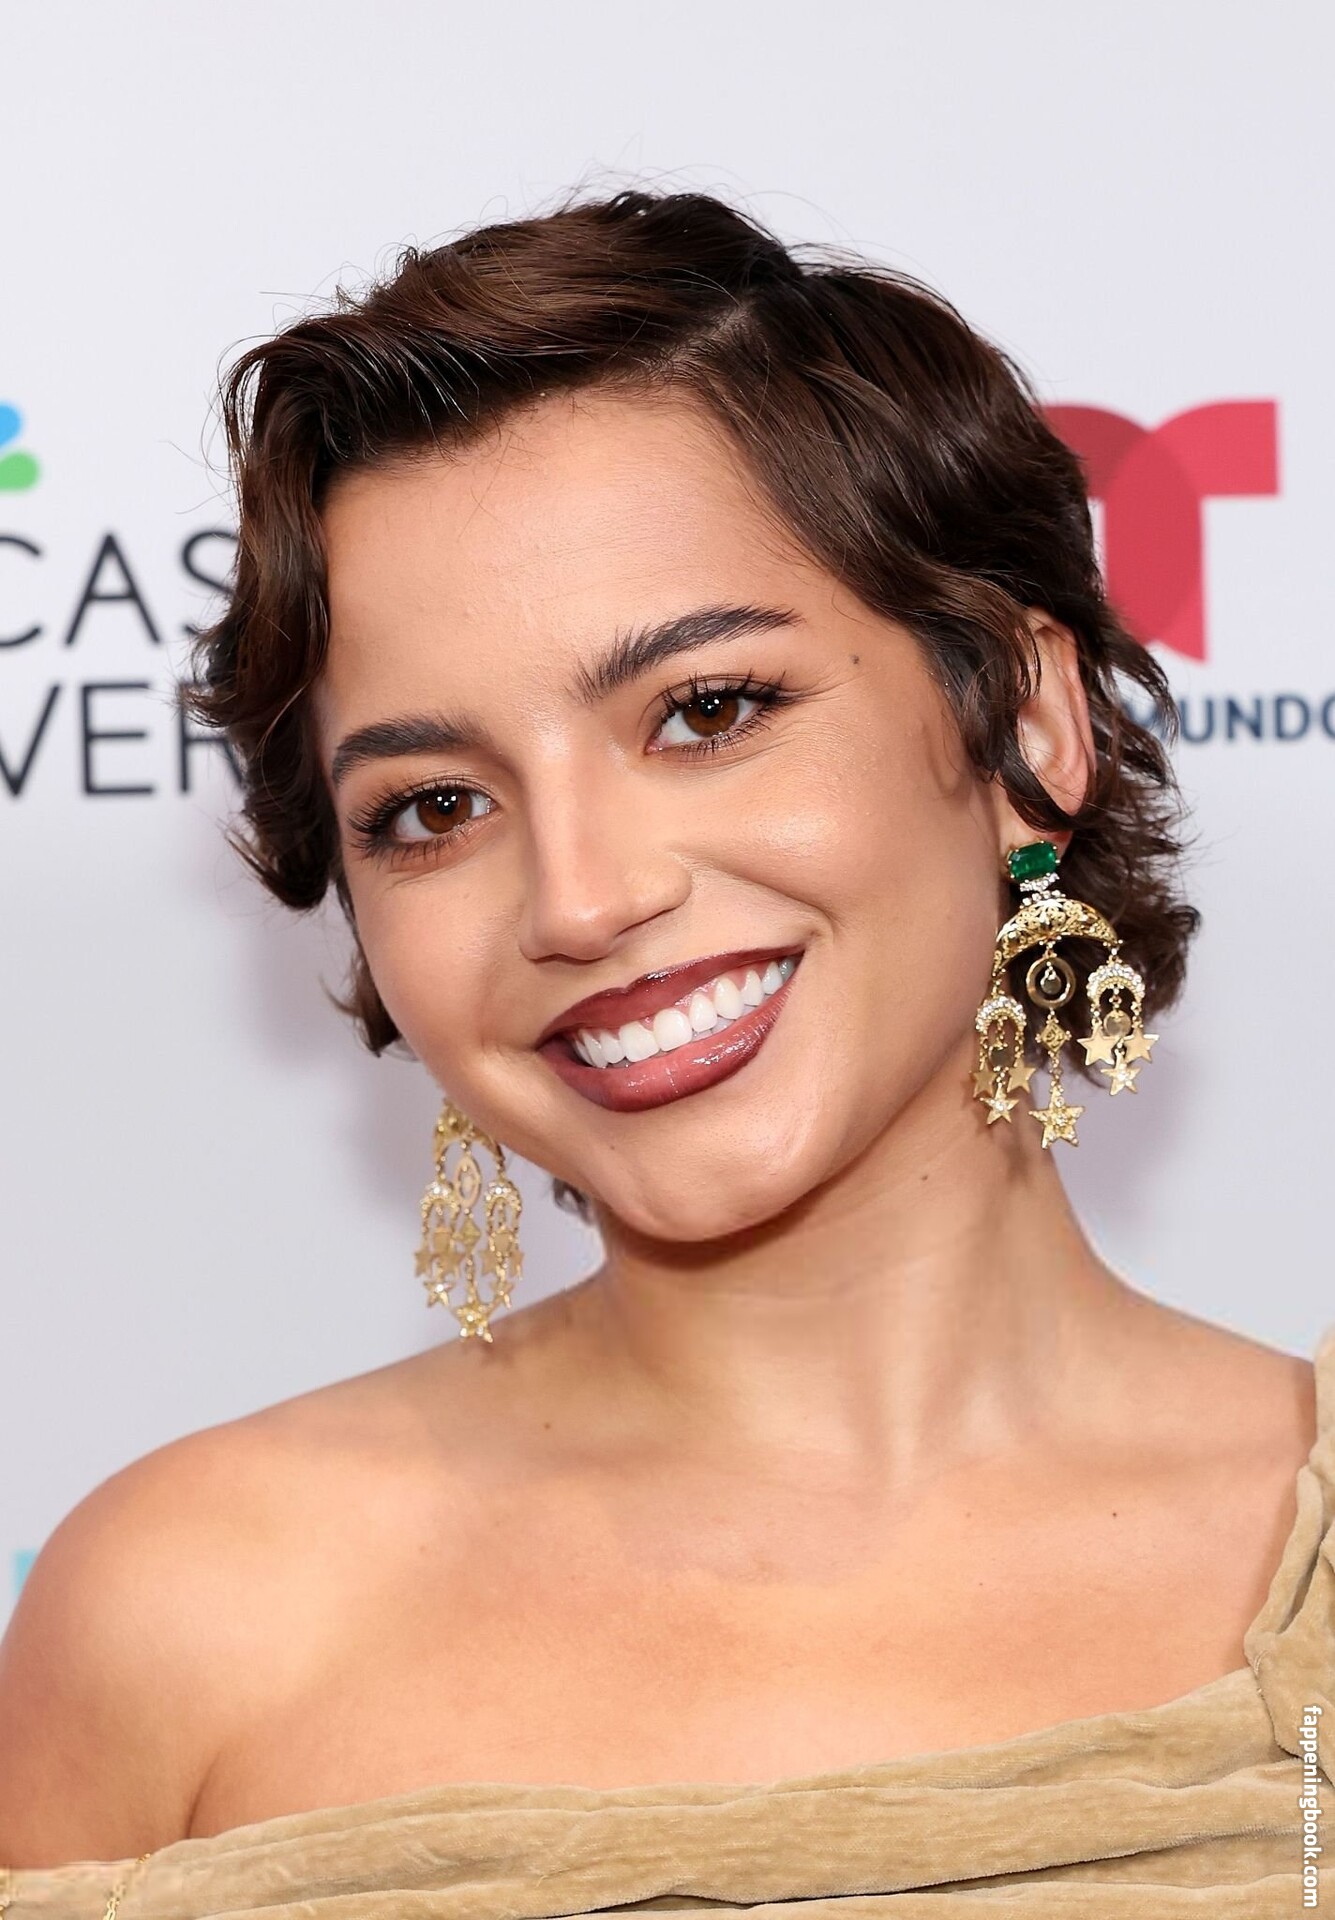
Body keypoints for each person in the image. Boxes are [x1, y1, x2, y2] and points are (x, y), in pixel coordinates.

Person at [0, 187, 1329, 1916]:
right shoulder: (181, 1619)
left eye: (708, 711)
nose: (580, 899)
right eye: (436, 807)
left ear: (1024, 720)